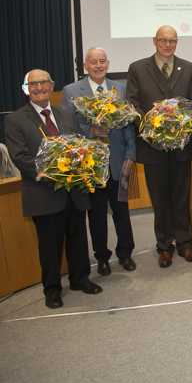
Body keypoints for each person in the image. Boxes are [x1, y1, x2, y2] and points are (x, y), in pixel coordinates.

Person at [5, 69, 102, 308]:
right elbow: (20, 156)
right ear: (26, 89)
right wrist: (52, 174)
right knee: (49, 245)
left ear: (52, 86)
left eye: (44, 83)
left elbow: (78, 145)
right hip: (44, 193)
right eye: (34, 84)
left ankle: (80, 279)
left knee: (77, 238)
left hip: (74, 190)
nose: (40, 87)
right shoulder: (15, 119)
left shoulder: (65, 113)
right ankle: (52, 289)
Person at [126, 25, 192, 268]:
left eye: (172, 41)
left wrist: (181, 122)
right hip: (152, 147)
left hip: (181, 147)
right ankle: (164, 246)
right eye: (163, 40)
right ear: (154, 41)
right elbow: (132, 103)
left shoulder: (188, 68)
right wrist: (152, 123)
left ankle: (185, 243)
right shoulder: (138, 68)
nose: (168, 45)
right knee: (159, 199)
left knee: (181, 196)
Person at [61, 48, 137, 276]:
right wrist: (91, 128)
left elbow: (128, 125)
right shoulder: (72, 91)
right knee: (96, 215)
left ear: (108, 64)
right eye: (93, 62)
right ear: (86, 65)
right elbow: (68, 127)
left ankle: (126, 254)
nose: (98, 65)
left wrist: (131, 154)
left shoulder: (120, 88)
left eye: (102, 61)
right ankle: (102, 257)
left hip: (118, 161)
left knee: (122, 212)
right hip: (90, 164)